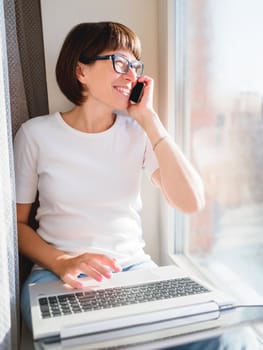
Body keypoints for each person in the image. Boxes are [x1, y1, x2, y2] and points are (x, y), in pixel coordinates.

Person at [15, 20, 204, 338]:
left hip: (133, 270)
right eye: (119, 62)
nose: (131, 74)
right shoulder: (36, 134)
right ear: (81, 71)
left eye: (135, 65)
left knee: (226, 338)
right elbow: (16, 226)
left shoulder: (138, 133)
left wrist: (149, 119)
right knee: (90, 341)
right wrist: (62, 261)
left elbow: (191, 202)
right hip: (56, 274)